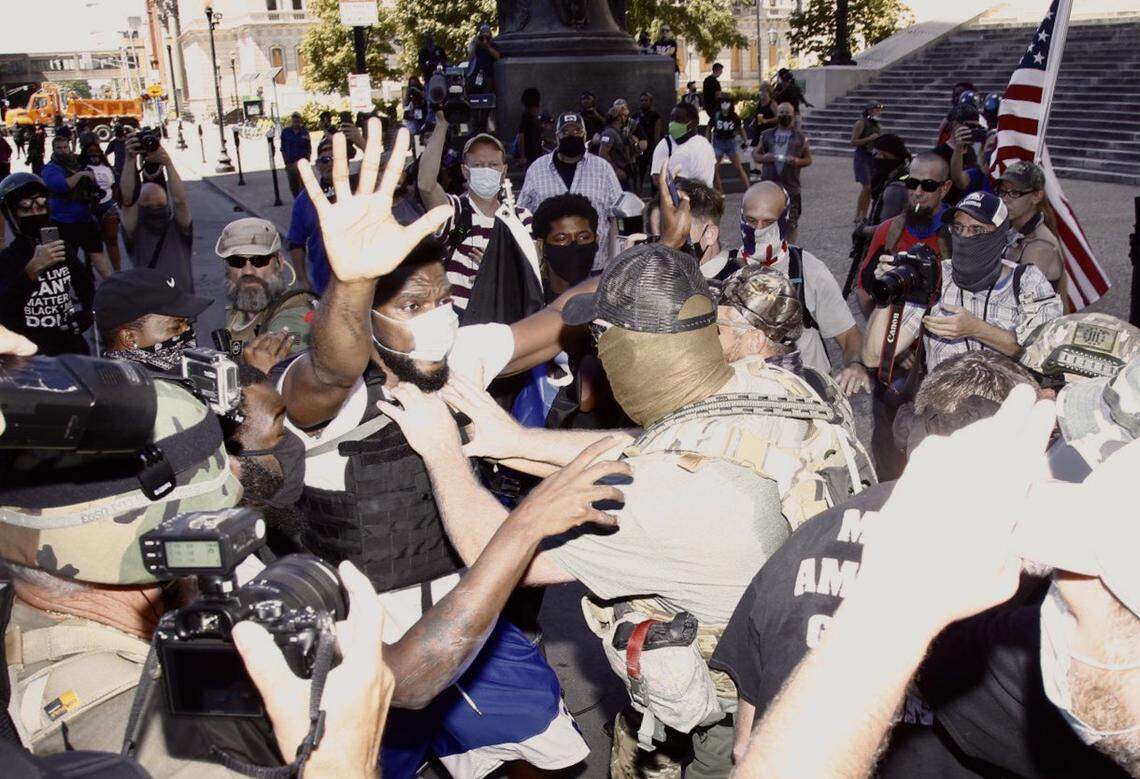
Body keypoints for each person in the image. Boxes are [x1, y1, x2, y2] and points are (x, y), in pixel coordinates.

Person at [385, 242, 871, 778]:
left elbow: (497, 552)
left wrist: (442, 451)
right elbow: (661, 445)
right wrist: (515, 441)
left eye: (599, 338)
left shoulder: (655, 503)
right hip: (816, 671)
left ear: (625, 351)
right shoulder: (774, 383)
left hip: (731, 728)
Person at [281, 121, 594, 776]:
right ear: (366, 314)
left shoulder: (458, 355)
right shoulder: (323, 398)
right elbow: (330, 369)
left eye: (443, 297)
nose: (439, 313)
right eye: (415, 302)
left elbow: (553, 324)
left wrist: (651, 268)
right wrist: (354, 280)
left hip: (468, 618)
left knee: (551, 751)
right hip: (365, 648)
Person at [734, 383, 1140, 779]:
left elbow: (745, 746)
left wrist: (888, 606)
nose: (1066, 584)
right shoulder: (1004, 659)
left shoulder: (813, 531)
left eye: (1095, 565)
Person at [864, 190, 1063, 378]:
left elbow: (1047, 357)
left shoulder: (1027, 282)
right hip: (944, 406)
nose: (965, 236)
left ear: (1000, 235)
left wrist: (978, 330)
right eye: (958, 228)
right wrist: (890, 295)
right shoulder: (936, 277)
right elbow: (873, 356)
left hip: (1009, 407)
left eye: (977, 229)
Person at [739, 181, 870, 394]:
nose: (759, 230)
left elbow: (849, 336)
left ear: (784, 221)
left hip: (805, 394)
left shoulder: (808, 269)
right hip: (748, 395)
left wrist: (856, 366)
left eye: (769, 222)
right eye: (751, 221)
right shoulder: (723, 269)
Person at [418, 116, 537, 317]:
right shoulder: (455, 211)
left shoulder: (521, 218)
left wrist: (495, 269)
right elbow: (426, 185)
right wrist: (442, 124)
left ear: (504, 170)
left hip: (507, 319)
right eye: (479, 165)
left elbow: (533, 271)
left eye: (493, 165)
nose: (487, 170)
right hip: (458, 319)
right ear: (465, 171)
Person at [0, 172, 93, 355]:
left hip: (71, 349)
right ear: (12, 215)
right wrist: (30, 273)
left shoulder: (60, 248)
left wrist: (87, 316)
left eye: (41, 207)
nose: (35, 214)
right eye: (25, 209)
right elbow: (4, 312)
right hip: (31, 352)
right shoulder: (7, 259)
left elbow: (87, 287)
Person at [518, 111, 622, 270]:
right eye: (565, 132)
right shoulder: (537, 169)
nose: (571, 135)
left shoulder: (603, 168)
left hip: (596, 266)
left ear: (585, 135)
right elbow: (523, 214)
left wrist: (616, 261)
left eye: (576, 131)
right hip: (552, 269)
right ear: (557, 137)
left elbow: (616, 215)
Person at [216, 217, 316, 370]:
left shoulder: (293, 315)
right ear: (226, 267)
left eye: (259, 260)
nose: (248, 271)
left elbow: (287, 376)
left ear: (279, 263)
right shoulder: (237, 312)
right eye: (236, 261)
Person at [94, 267, 211, 373]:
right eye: (176, 327)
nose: (186, 328)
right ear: (129, 338)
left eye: (186, 321)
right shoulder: (145, 394)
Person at [119, 132, 194, 291]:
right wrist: (130, 159)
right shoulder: (137, 232)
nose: (154, 209)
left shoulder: (178, 229)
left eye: (158, 205)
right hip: (151, 307)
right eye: (149, 205)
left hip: (182, 305)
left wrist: (168, 163)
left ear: (166, 206)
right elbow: (127, 200)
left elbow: (180, 201)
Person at [41, 133, 112, 280]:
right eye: (59, 148)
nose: (63, 150)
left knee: (97, 253)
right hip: (61, 221)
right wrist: (81, 175)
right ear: (53, 149)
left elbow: (96, 183)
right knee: (62, 262)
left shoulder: (77, 164)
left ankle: (112, 285)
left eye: (65, 147)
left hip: (85, 218)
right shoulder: (51, 169)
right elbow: (62, 186)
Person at [996, 160, 1065, 295]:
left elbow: (1021, 307)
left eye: (1015, 193)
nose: (1005, 199)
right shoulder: (1012, 232)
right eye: (1002, 192)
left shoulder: (1039, 248)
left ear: (1036, 196)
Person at [753, 102, 812, 243]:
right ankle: (770, 249)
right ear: (777, 115)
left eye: (787, 113)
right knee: (767, 220)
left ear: (793, 115)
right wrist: (763, 158)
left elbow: (808, 159)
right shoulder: (767, 135)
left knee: (792, 222)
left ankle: (790, 250)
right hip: (769, 186)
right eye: (781, 113)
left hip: (791, 187)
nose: (784, 115)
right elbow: (756, 153)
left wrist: (798, 161)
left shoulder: (800, 137)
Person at [286, 134, 334, 294]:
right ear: (318, 165)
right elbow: (295, 242)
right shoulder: (305, 199)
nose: (330, 164)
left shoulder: (358, 191)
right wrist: (302, 279)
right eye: (324, 160)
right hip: (323, 287)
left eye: (335, 159)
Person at [673, 176, 737, 282]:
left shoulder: (743, 280)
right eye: (657, 239)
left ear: (710, 234)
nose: (665, 246)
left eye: (678, 236)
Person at [78, 132, 123, 272]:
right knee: (91, 244)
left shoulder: (109, 168)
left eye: (96, 151)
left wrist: (115, 202)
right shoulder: (80, 169)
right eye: (90, 152)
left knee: (112, 240)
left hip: (108, 207)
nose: (94, 154)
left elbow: (116, 185)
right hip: (89, 209)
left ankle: (118, 271)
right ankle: (89, 270)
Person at [650, 102, 717, 188]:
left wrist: (718, 192)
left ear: (693, 123)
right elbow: (656, 179)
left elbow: (713, 172)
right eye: (672, 119)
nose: (673, 123)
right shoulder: (665, 145)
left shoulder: (704, 144)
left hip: (704, 198)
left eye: (678, 119)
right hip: (678, 199)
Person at [936, 102, 989, 206]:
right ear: (955, 124)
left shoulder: (972, 152)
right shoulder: (937, 155)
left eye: (976, 126)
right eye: (969, 126)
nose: (973, 130)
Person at [850, 102, 883, 221]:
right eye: (876, 110)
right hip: (862, 157)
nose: (878, 112)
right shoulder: (861, 123)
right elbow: (853, 141)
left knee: (871, 188)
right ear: (869, 111)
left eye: (879, 110)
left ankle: (864, 215)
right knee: (867, 187)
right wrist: (869, 138)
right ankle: (858, 215)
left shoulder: (876, 124)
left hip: (873, 157)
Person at [709, 94, 750, 190]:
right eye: (722, 102)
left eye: (727, 102)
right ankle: (720, 191)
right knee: (714, 168)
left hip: (731, 142)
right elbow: (709, 127)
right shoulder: (716, 115)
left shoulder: (734, 116)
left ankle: (749, 188)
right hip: (718, 142)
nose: (725, 104)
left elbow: (740, 129)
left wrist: (745, 140)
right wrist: (708, 140)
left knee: (738, 167)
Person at [630, 92, 663, 191]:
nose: (643, 102)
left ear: (651, 102)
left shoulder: (655, 116)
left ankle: (654, 195)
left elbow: (657, 133)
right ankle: (638, 192)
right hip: (639, 148)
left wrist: (656, 150)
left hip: (651, 147)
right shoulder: (635, 116)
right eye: (642, 100)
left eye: (646, 100)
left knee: (652, 173)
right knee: (639, 172)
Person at [598, 106, 637, 190]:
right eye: (625, 116)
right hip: (617, 174)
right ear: (619, 118)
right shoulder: (609, 133)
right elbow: (602, 153)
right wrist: (615, 169)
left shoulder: (620, 133)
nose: (626, 119)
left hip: (625, 171)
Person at [279, 112, 312, 199]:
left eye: (297, 119)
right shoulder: (286, 132)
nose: (296, 120)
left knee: (304, 185)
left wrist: (308, 159)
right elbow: (282, 148)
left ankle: (304, 202)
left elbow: (308, 147)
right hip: (291, 163)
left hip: (303, 163)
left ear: (300, 120)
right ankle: (297, 201)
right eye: (294, 119)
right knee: (294, 186)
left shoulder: (304, 132)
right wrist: (286, 162)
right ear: (292, 120)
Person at [466, 23, 500, 96]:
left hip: (487, 76)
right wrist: (475, 44)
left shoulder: (493, 45)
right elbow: (470, 57)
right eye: (482, 36)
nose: (484, 39)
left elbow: (497, 56)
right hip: (475, 75)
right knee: (471, 94)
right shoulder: (476, 45)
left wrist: (487, 46)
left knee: (486, 95)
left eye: (487, 37)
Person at [515, 86, 544, 169]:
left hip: (535, 153)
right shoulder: (526, 117)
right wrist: (522, 156)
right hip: (530, 155)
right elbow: (521, 136)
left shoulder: (532, 117)